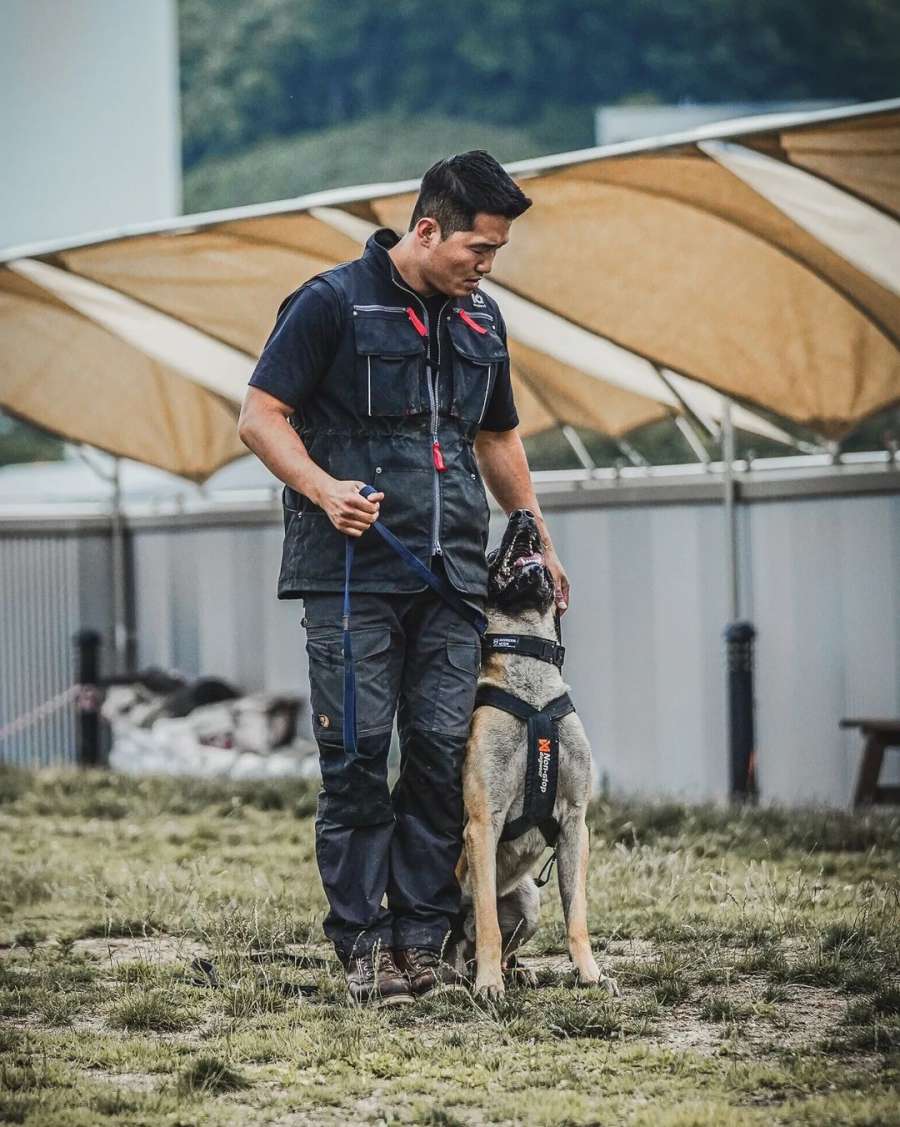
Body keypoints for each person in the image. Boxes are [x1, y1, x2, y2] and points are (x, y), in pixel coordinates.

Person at [238, 150, 570, 1006]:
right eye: (479, 249)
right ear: (427, 230)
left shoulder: (482, 321)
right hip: (351, 573)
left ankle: (422, 938)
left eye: (496, 252)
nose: (487, 266)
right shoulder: (329, 304)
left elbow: (497, 439)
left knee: (435, 755)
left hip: (456, 578)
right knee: (357, 756)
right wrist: (322, 487)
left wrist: (534, 530)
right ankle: (362, 944)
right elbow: (260, 415)